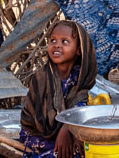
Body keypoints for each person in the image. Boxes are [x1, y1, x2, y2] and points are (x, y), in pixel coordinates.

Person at [19, 20, 97, 158]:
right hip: (38, 133)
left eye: (65, 42)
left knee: (88, 148)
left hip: (69, 129)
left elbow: (80, 108)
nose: (57, 45)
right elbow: (42, 120)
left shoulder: (80, 76)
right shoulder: (41, 77)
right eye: (53, 40)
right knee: (67, 153)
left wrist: (68, 129)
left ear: (79, 49)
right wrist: (66, 130)